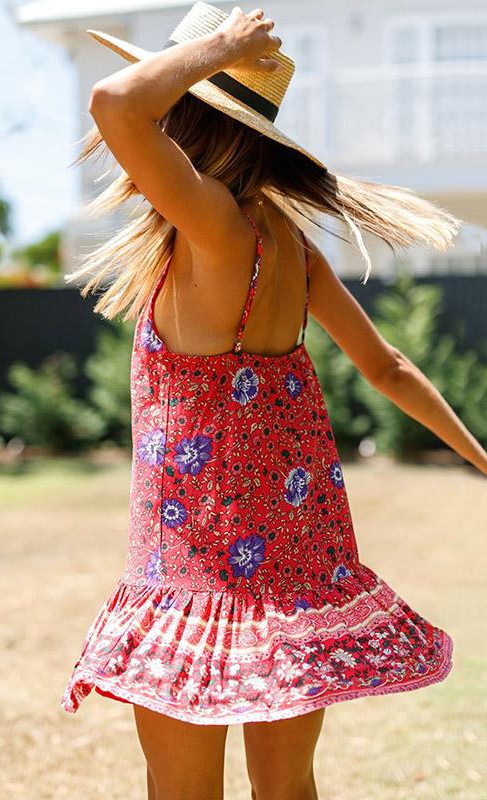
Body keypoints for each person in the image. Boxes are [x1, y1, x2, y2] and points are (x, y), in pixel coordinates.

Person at [60, 4, 487, 799]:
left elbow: (114, 104)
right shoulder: (287, 243)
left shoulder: (213, 228)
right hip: (295, 577)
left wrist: (219, 48)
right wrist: (482, 459)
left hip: (197, 577)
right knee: (289, 789)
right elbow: (389, 368)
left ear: (190, 120)